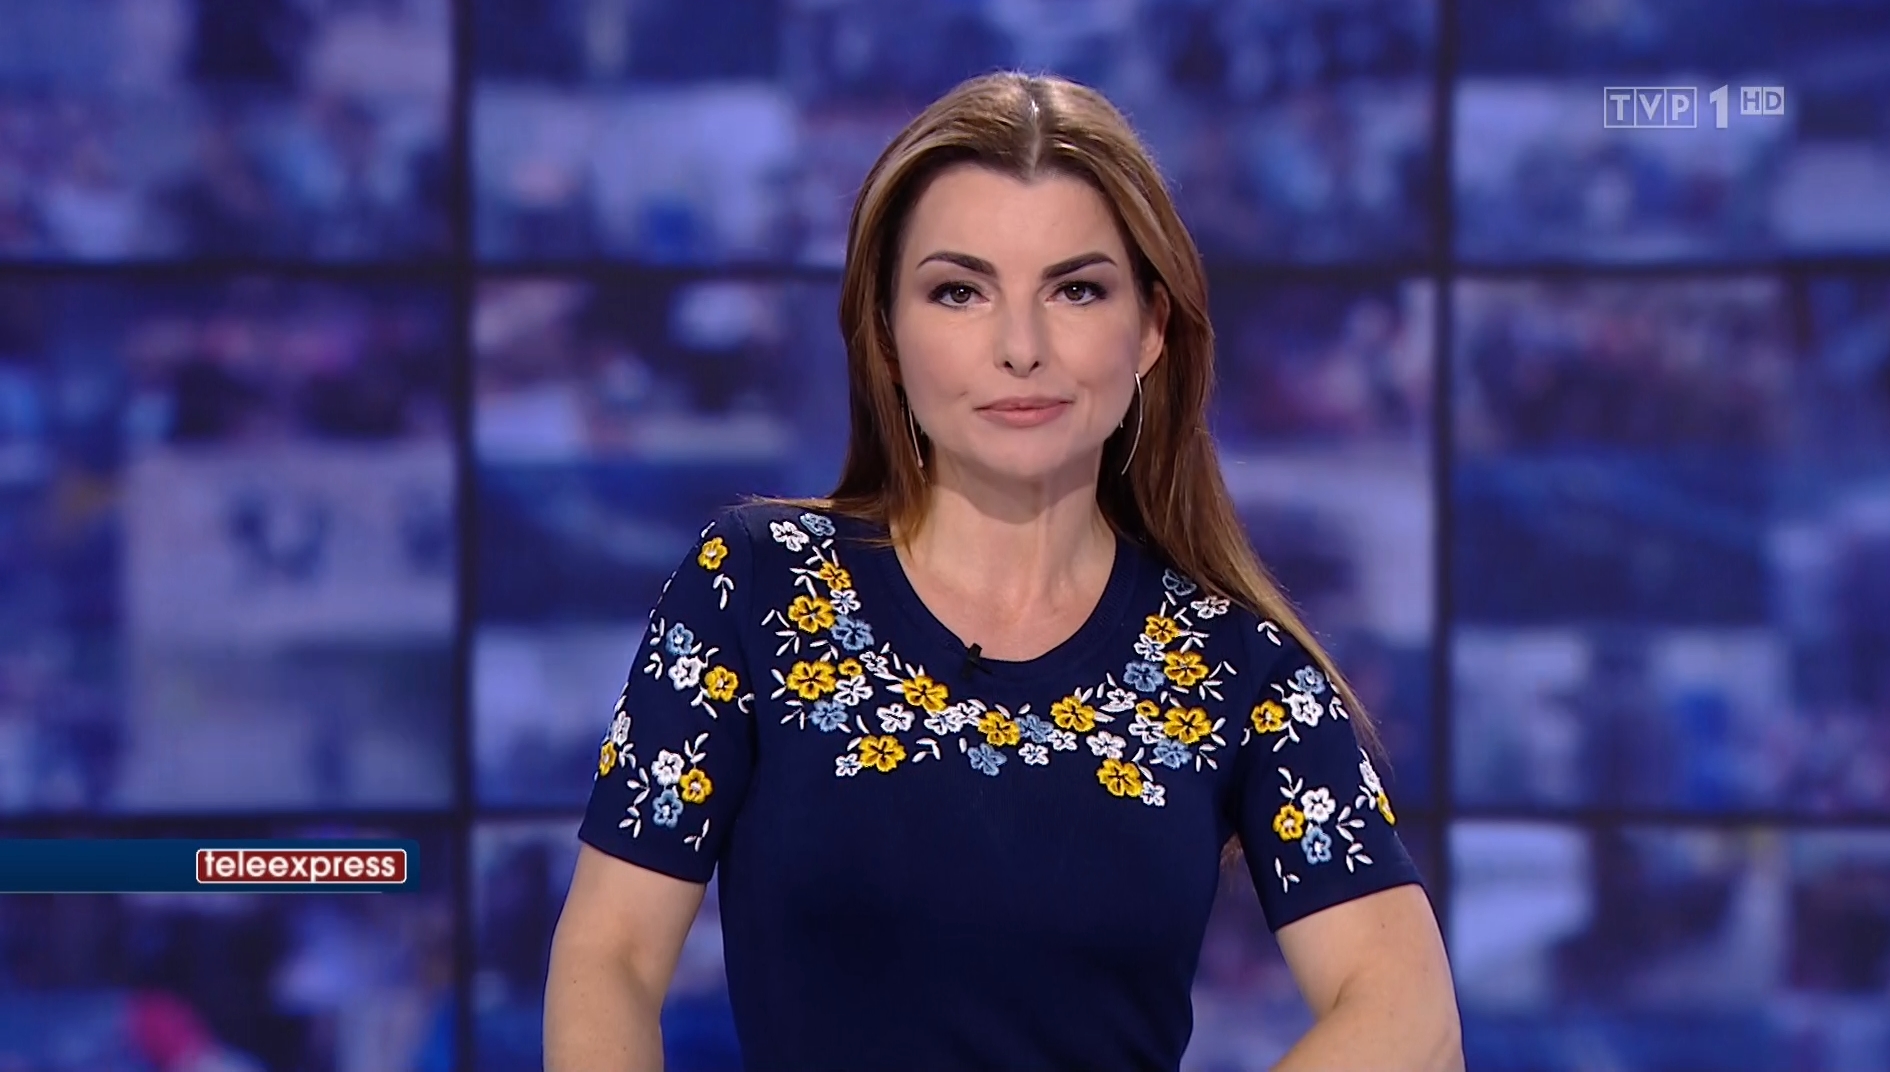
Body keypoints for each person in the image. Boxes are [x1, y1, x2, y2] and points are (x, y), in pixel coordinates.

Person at [544, 70, 1462, 1072]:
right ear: (886, 332)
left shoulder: (1235, 663)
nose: (1021, 348)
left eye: (1076, 290)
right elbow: (610, 959)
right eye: (960, 291)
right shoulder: (754, 587)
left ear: (1151, 327)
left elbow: (1411, 1018)